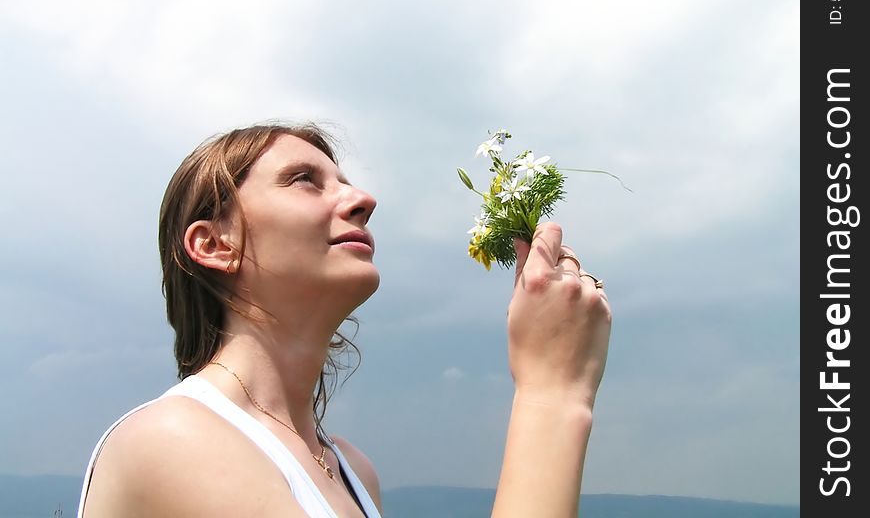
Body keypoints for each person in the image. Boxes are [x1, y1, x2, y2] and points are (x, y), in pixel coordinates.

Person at [77, 122, 612, 518]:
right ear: (215, 244)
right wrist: (553, 393)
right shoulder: (172, 441)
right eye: (305, 180)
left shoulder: (352, 470)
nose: (363, 199)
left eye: (346, 181)